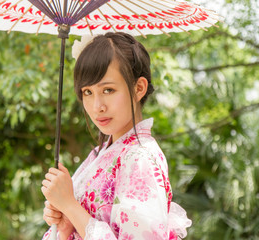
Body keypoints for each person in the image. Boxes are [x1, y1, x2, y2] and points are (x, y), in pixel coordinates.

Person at [41, 32, 192, 240]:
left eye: (108, 90)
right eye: (87, 92)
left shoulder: (140, 158)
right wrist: (66, 225)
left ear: (138, 88)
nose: (97, 106)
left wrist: (70, 205)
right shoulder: (100, 153)